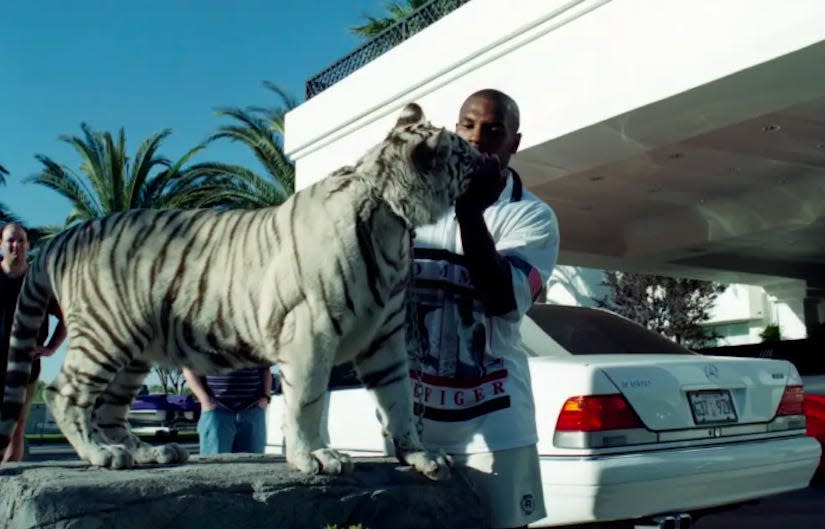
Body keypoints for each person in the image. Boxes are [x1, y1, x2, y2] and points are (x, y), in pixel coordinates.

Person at [408, 89, 559, 529]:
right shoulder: (414, 205)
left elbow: (502, 301)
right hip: (413, 427)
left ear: (515, 142)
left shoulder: (531, 216)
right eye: (467, 125)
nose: (477, 138)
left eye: (495, 130)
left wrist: (470, 213)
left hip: (498, 423)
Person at [1, 223, 66, 463]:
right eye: (10, 241)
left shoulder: (38, 281)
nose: (15, 246)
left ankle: (7, 484)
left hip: (25, 367)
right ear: (1, 244)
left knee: (16, 426)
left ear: (28, 245)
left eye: (20, 241)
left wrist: (51, 348)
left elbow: (66, 317)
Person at [182, 366, 272, 455]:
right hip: (217, 411)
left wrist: (265, 397)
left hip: (253, 410)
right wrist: (205, 399)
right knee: (215, 463)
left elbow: (265, 369)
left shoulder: (254, 350)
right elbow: (188, 368)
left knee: (254, 463)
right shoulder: (204, 350)